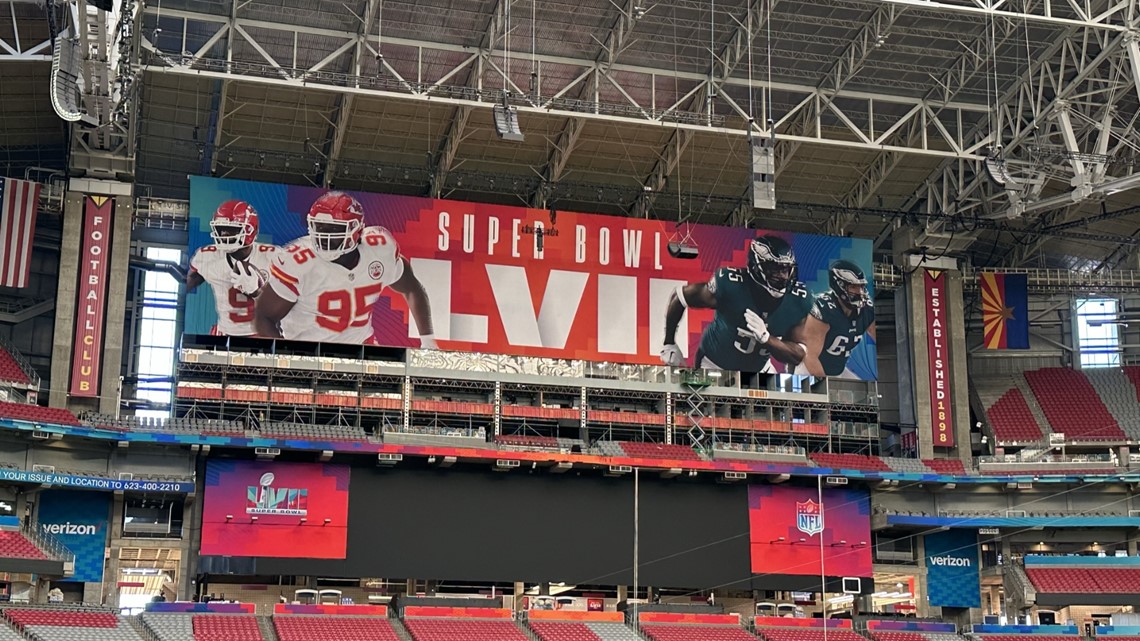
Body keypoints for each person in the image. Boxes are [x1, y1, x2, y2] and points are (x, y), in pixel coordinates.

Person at [255, 191, 435, 346]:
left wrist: (428, 343)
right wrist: (287, 359)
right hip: (308, 354)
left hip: (361, 350)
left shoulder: (378, 249)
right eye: (320, 227)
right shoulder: (299, 261)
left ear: (356, 230)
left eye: (334, 229)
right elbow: (264, 317)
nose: (324, 236)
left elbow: (413, 289)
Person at [660, 235, 812, 372]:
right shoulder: (730, 284)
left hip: (761, 370)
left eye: (785, 269)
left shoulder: (798, 299)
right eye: (775, 270)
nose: (783, 276)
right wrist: (669, 343)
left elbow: (797, 354)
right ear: (755, 267)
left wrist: (767, 339)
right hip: (714, 364)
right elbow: (680, 295)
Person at [187, 200, 278, 337]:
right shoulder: (208, 256)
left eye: (231, 229)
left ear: (249, 229)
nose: (224, 234)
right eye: (221, 228)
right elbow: (186, 283)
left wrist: (257, 292)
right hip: (225, 332)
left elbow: (289, 304)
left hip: (261, 334)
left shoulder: (272, 257)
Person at [794, 259, 875, 379]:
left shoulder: (866, 309)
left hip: (838, 371)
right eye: (854, 287)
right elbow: (810, 357)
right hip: (809, 370)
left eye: (861, 286)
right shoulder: (824, 310)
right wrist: (828, 388)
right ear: (839, 286)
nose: (860, 292)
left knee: (861, 391)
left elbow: (874, 334)